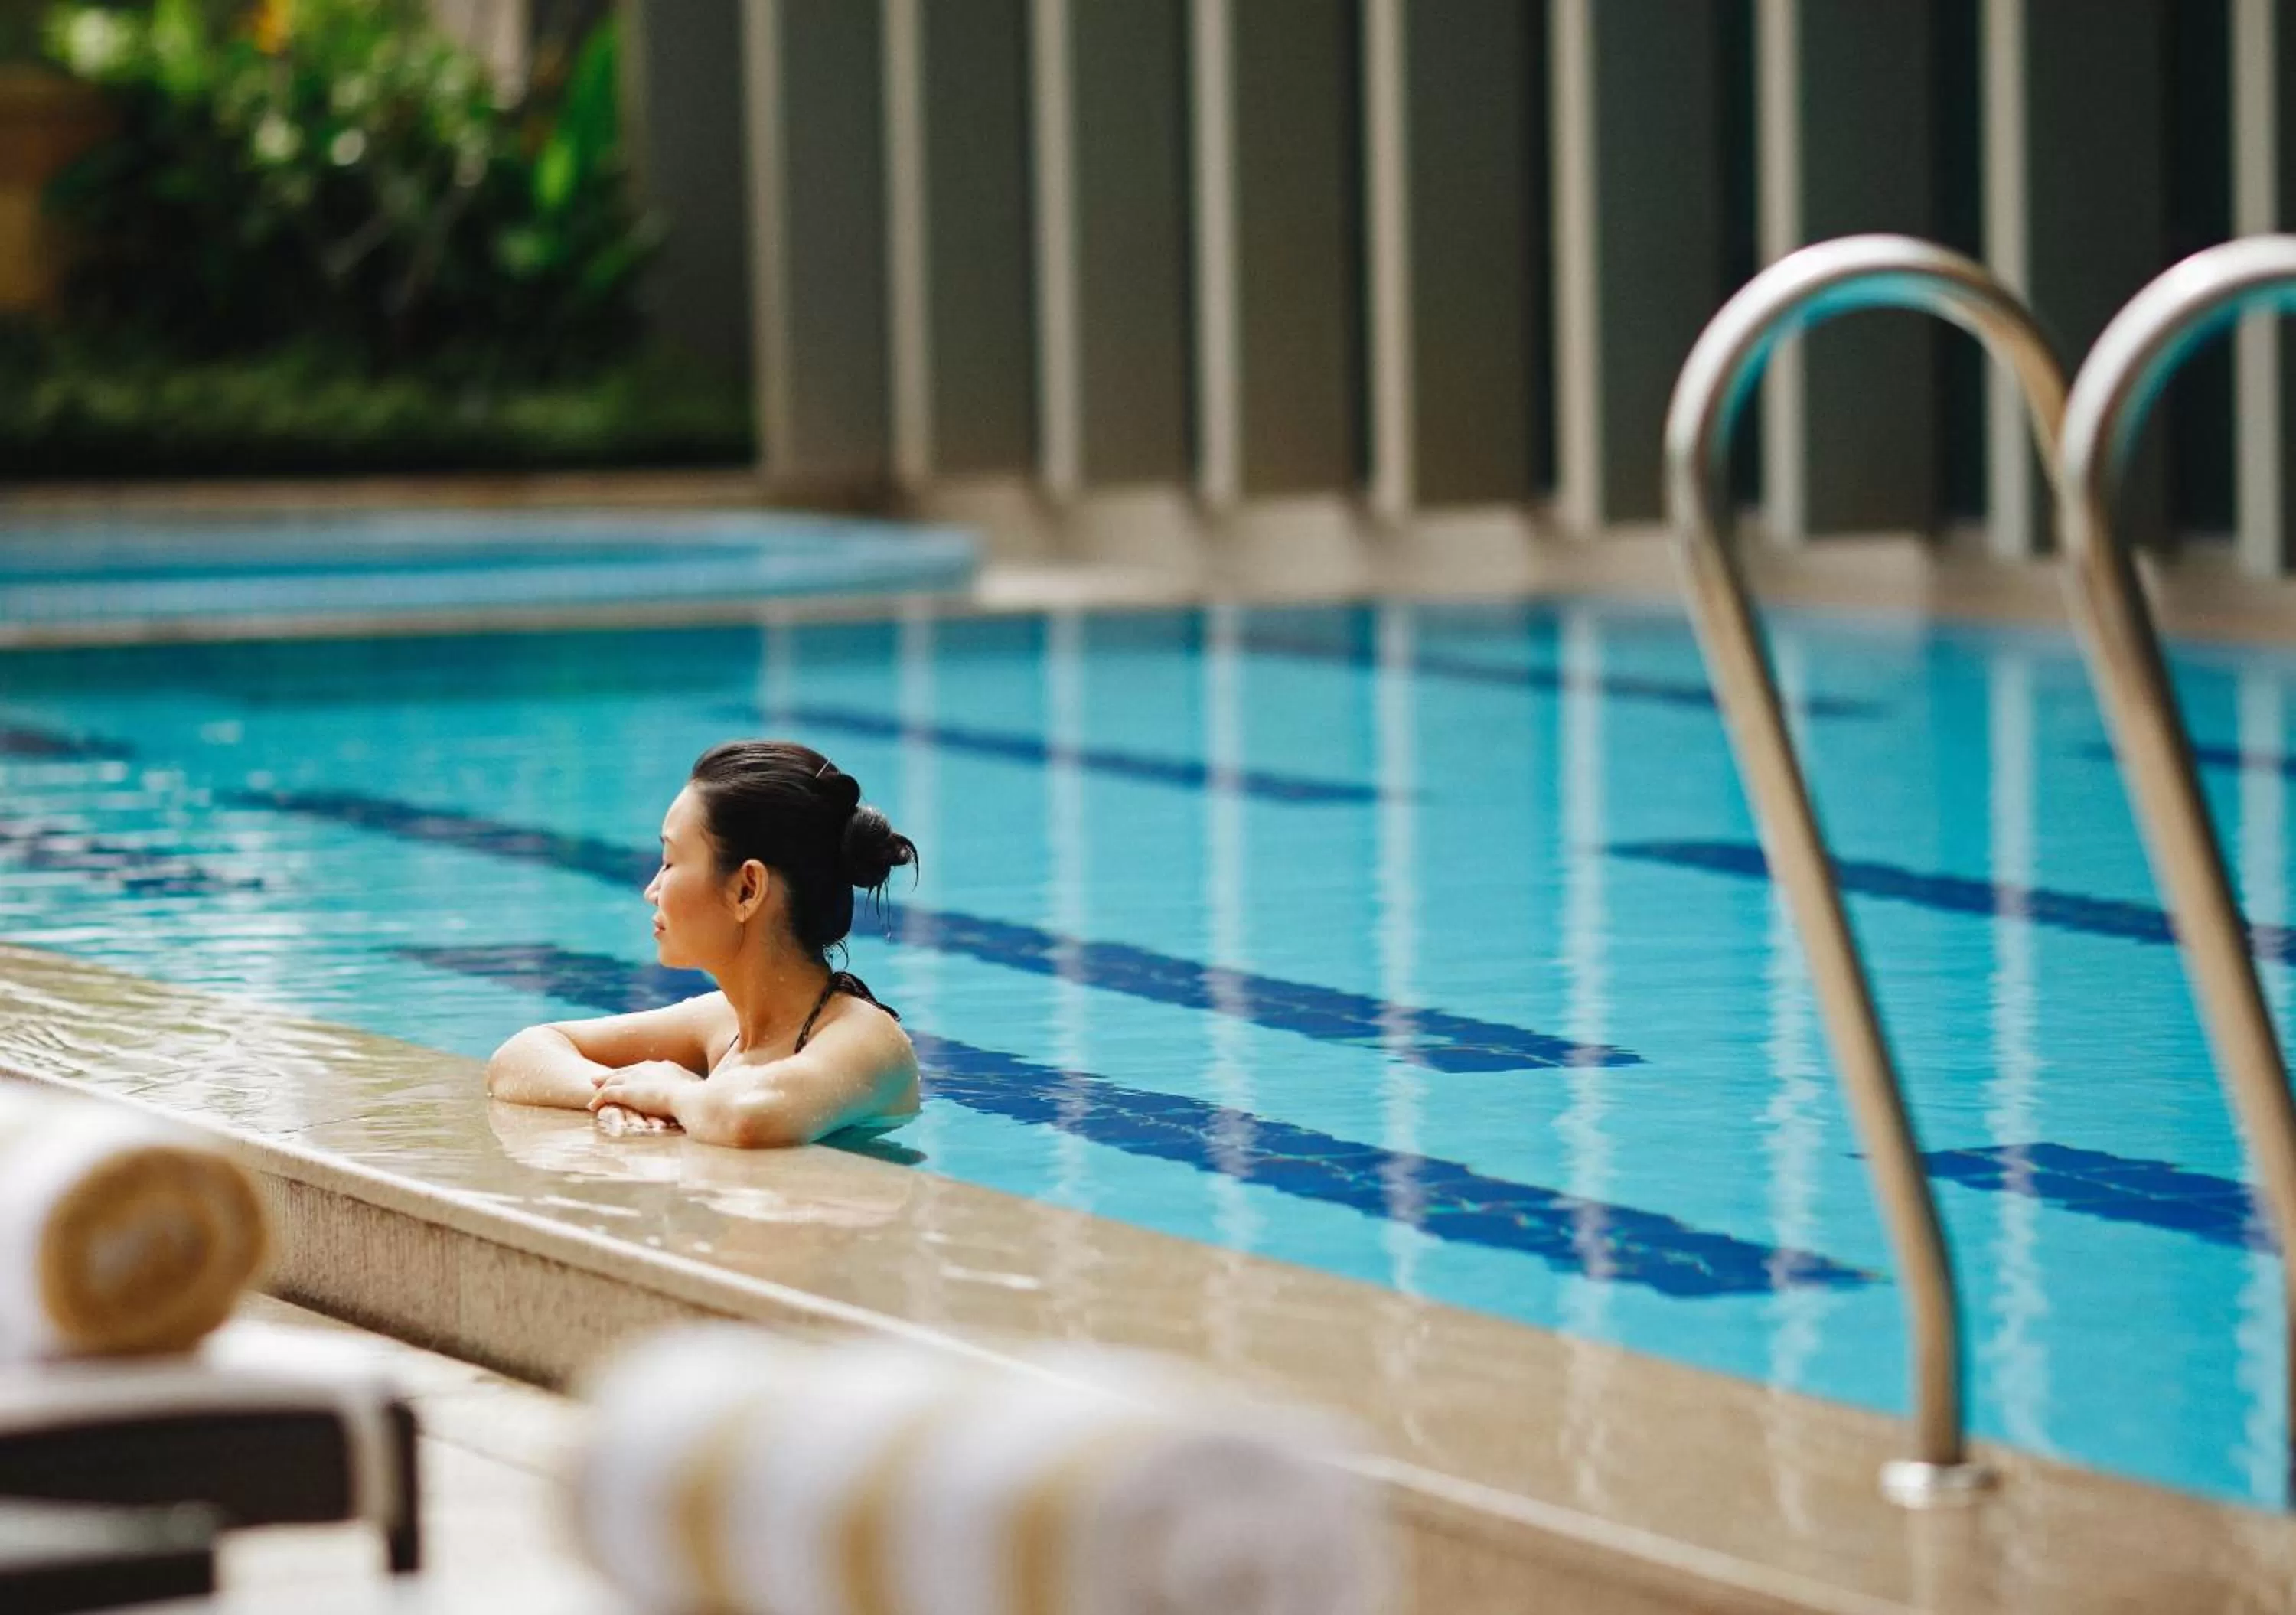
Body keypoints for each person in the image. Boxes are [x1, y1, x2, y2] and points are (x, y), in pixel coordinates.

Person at [484, 741, 921, 1147]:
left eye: (671, 862)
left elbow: (750, 1118)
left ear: (747, 889)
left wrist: (671, 1091)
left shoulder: (869, 1040)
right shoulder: (722, 1021)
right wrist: (623, 1094)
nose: (652, 890)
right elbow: (520, 1055)